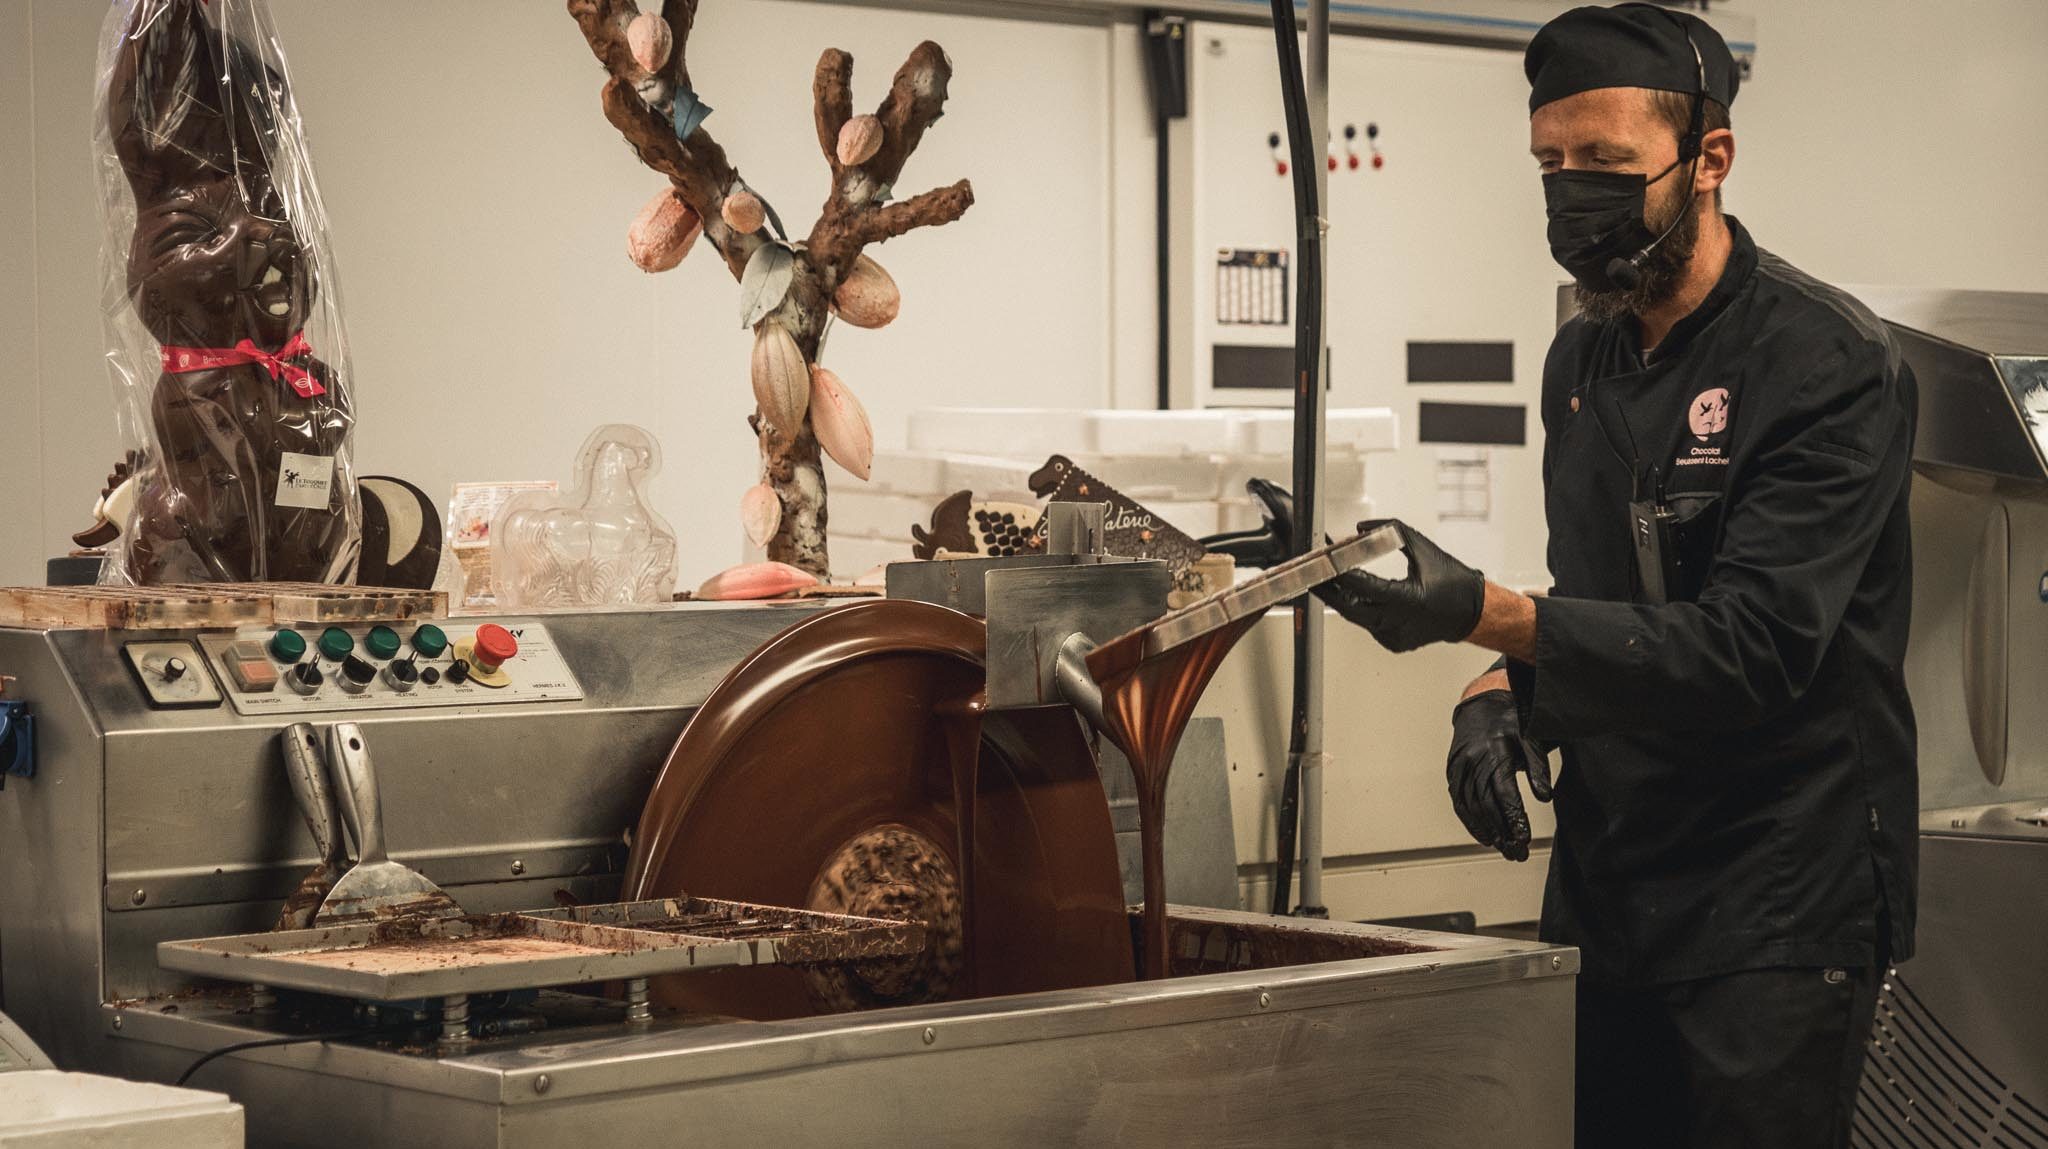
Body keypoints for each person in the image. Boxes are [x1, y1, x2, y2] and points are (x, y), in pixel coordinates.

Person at [1217, 6, 1917, 1145]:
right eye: (1548, 163)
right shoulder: (1581, 355)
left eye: (1604, 163)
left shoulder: (1825, 364)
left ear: (1709, 160)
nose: (1568, 191)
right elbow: (1597, 587)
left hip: (1773, 898)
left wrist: (1479, 619)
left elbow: (1752, 647)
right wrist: (1492, 697)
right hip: (1613, 880)